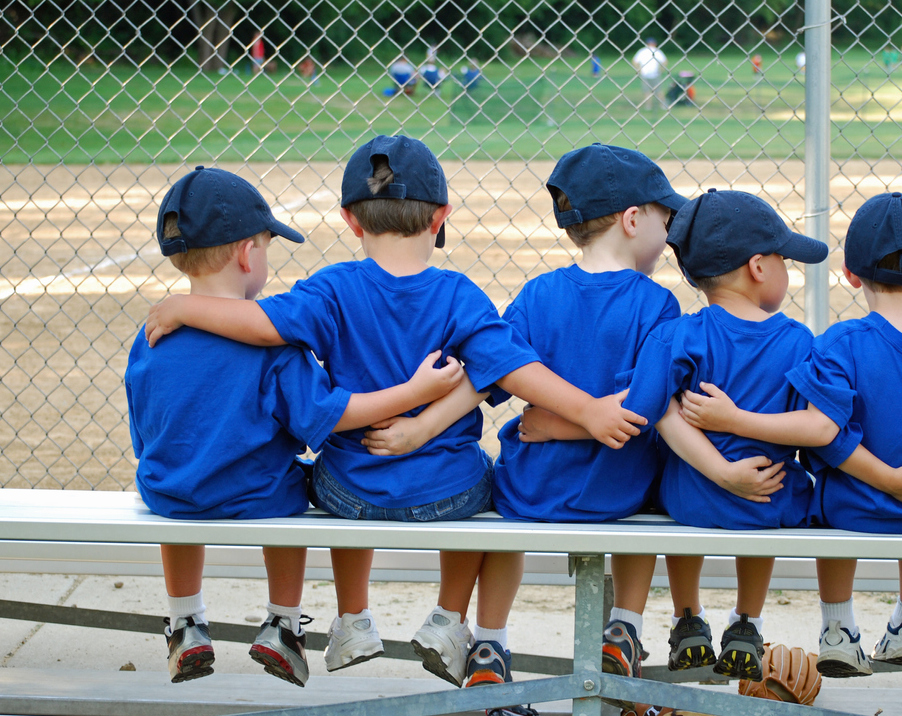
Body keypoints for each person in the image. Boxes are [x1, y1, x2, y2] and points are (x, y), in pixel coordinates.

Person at [143, 136, 648, 682]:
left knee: (331, 464)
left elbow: (262, 325)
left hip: (348, 496)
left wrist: (185, 305)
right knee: (486, 473)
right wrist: (590, 410)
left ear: (351, 220)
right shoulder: (458, 293)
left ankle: (353, 619)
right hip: (446, 495)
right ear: (440, 217)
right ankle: (449, 618)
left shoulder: (332, 288)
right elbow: (510, 367)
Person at [366, 144, 694, 700]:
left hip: (533, 491)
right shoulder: (656, 304)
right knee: (658, 472)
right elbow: (642, 407)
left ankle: (490, 642)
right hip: (620, 491)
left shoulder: (538, 294)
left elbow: (483, 375)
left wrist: (425, 427)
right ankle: (624, 629)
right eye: (665, 220)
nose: (668, 235)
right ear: (633, 220)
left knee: (498, 487)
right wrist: (591, 420)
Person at [128, 166, 465, 687]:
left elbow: (147, 436)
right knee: (294, 481)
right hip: (257, 496)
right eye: (266, 247)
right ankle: (282, 623)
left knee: (176, 478)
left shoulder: (150, 335)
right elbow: (331, 415)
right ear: (246, 254)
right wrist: (416, 395)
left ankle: (185, 621)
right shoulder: (275, 348)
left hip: (170, 494)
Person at [624, 190, 902, 684]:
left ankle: (688, 617)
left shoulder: (676, 334)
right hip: (767, 500)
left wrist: (716, 469)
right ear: (758, 267)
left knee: (670, 488)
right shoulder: (799, 341)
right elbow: (818, 432)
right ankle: (748, 622)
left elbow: (651, 409)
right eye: (784, 259)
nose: (787, 270)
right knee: (777, 495)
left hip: (688, 499)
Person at [701, 192, 902, 678]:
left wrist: (886, 480)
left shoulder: (841, 344)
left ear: (849, 273)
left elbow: (825, 436)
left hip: (854, 512)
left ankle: (838, 631)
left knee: (827, 503)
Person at [632, 37, 668, 111]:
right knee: (647, 91)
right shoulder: (643, 51)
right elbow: (635, 61)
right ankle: (649, 106)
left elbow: (665, 61)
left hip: (654, 74)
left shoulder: (656, 51)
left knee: (658, 91)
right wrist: (639, 69)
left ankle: (661, 105)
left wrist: (661, 70)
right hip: (646, 74)